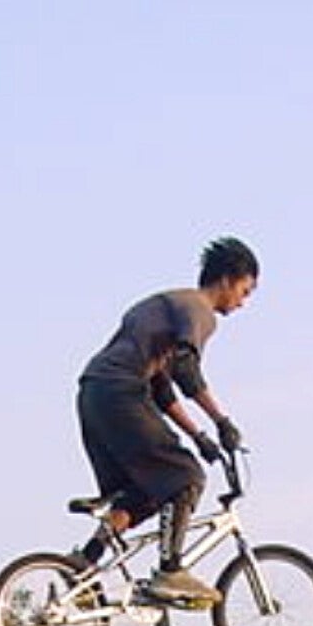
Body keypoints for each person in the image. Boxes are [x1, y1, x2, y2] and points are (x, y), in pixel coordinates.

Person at [72, 236, 257, 604]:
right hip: (121, 392)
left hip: (93, 396)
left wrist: (199, 435)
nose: (244, 302)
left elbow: (162, 388)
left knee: (149, 490)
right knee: (186, 477)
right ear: (226, 280)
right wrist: (222, 421)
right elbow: (187, 372)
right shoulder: (198, 310)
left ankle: (84, 561)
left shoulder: (167, 305)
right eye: (245, 290)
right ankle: (170, 571)